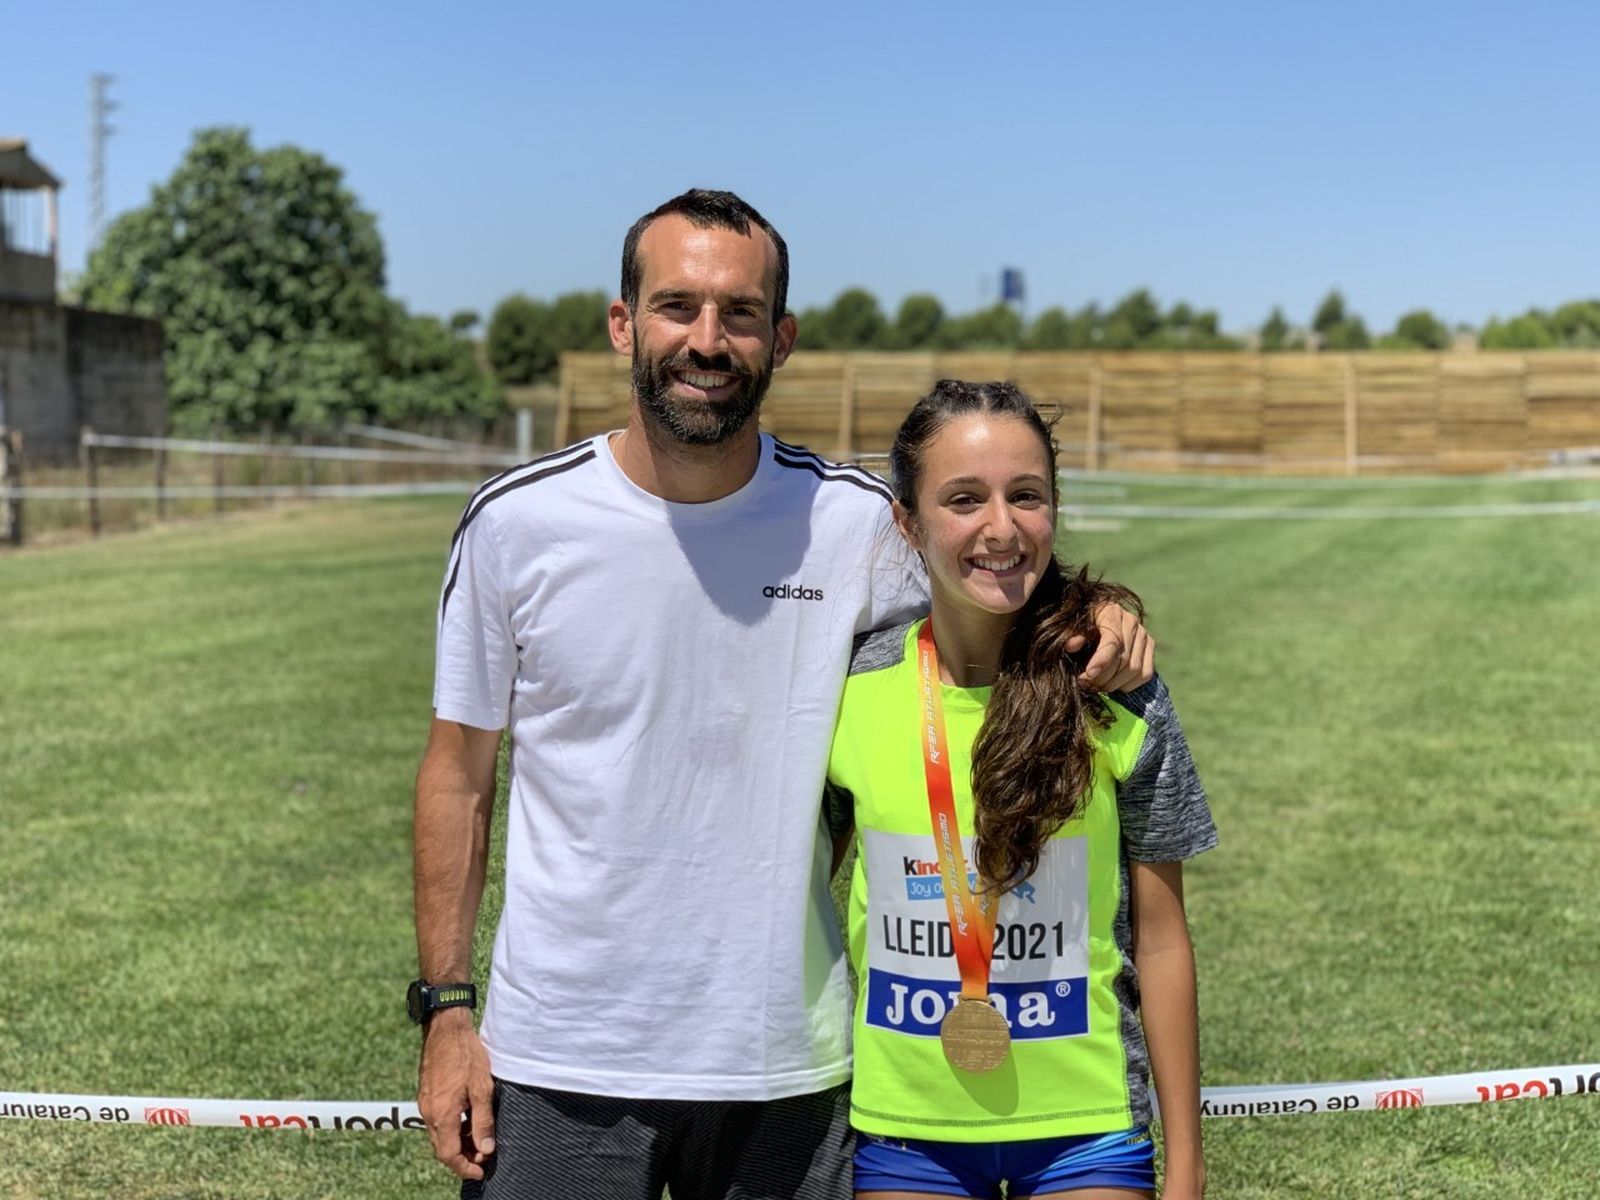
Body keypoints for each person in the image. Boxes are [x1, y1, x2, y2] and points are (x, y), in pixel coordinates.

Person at [413, 190, 1155, 1200]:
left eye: (741, 313)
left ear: (783, 336)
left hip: (786, 1071)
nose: (706, 340)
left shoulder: (849, 524)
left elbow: (992, 582)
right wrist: (449, 1011)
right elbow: (458, 778)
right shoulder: (514, 525)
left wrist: (1100, 606)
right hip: (560, 1060)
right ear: (622, 323)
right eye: (677, 306)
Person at [826, 380, 1214, 1200]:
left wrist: (1187, 1166)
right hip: (905, 1129)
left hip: (1087, 1128)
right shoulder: (850, 688)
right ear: (908, 521)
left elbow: (1163, 939)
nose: (1001, 528)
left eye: (1026, 496)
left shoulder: (1116, 687)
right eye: (964, 498)